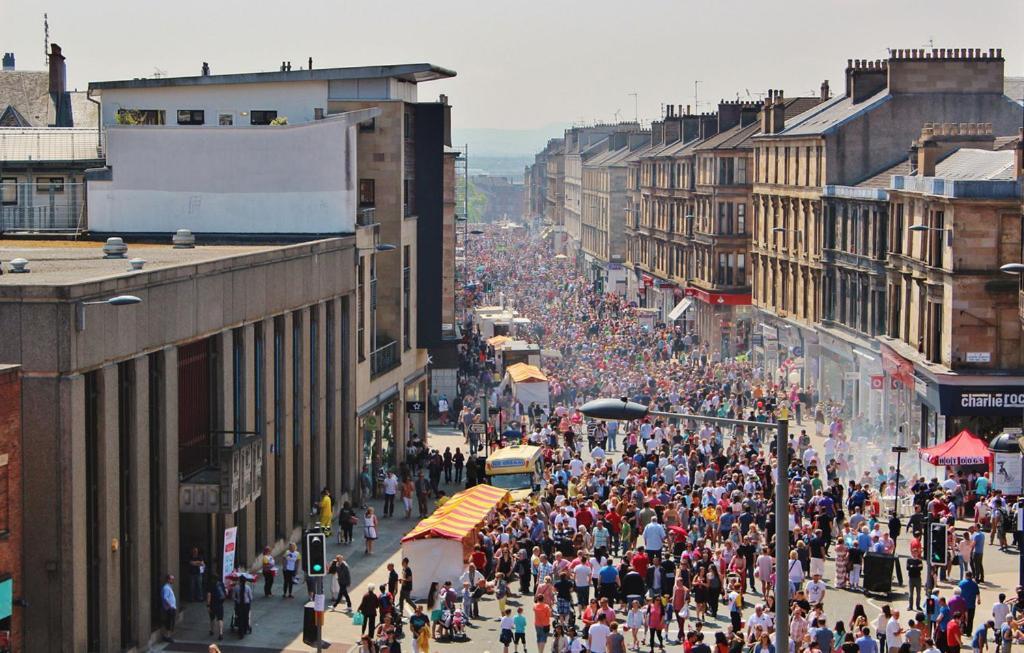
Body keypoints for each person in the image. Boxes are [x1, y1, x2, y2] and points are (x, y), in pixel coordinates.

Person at [207, 572, 227, 641]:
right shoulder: (221, 584)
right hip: (220, 604)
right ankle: (221, 633)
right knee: (220, 619)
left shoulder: (210, 585)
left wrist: (208, 605)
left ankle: (212, 630)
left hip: (213, 604)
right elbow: (225, 593)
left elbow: (209, 596)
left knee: (212, 618)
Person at [161, 574, 177, 643]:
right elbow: (165, 598)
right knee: (169, 622)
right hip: (170, 609)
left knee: (171, 622)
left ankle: (168, 636)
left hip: (171, 608)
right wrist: (170, 606)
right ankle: (168, 636)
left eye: (173, 579)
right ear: (168, 580)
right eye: (171, 579)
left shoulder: (169, 587)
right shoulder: (166, 588)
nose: (173, 580)